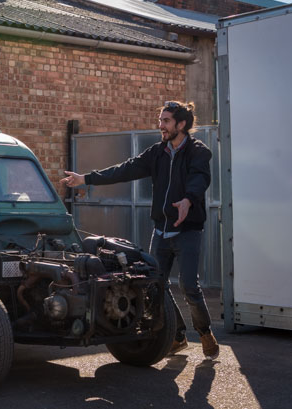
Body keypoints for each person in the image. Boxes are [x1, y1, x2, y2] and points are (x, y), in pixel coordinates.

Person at [60, 101, 218, 360]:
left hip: (188, 230)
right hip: (161, 231)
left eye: (166, 121)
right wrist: (86, 179)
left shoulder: (198, 152)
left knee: (189, 286)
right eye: (160, 120)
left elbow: (200, 179)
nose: (160, 125)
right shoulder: (157, 152)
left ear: (181, 124)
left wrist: (188, 200)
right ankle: (177, 335)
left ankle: (204, 332)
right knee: (156, 286)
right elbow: (125, 169)